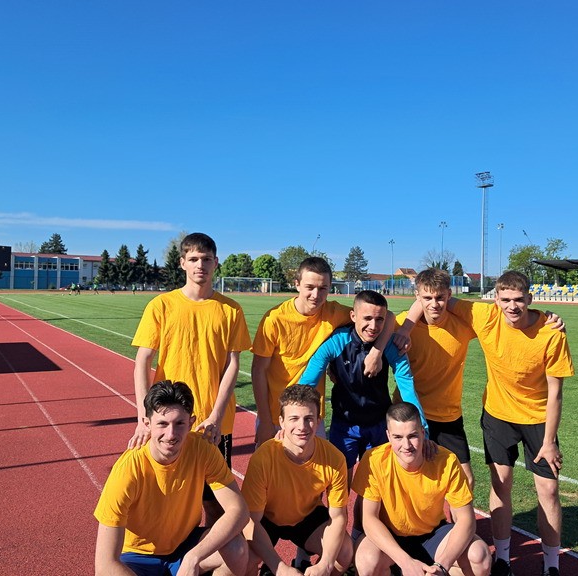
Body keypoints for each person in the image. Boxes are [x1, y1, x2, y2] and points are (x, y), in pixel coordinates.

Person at [447, 271, 574, 576]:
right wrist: (406, 325)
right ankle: (502, 560)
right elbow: (437, 299)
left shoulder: (551, 332)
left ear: (530, 299)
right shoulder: (485, 316)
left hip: (539, 419)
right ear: (496, 299)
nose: (512, 306)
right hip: (498, 415)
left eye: (518, 299)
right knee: (500, 483)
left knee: (548, 490)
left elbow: (555, 394)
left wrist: (549, 442)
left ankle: (551, 565)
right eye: (505, 299)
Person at [395, 269, 564, 494]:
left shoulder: (465, 324)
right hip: (409, 413)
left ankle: (452, 519)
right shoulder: (399, 324)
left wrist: (547, 319)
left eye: (440, 297)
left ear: (449, 295)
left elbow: (506, 320)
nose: (434, 304)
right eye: (427, 298)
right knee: (408, 477)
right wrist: (406, 328)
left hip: (448, 415)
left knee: (465, 481)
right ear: (417, 296)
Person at [94, 380, 249, 576]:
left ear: (191, 423)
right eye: (162, 424)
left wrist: (194, 557)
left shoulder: (203, 449)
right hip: (136, 557)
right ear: (147, 424)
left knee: (236, 548)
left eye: (179, 423)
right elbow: (104, 565)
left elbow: (239, 510)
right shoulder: (129, 469)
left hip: (184, 546)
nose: (171, 434)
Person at [129, 233, 251, 474]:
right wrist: (144, 417)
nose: (200, 265)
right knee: (169, 489)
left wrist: (216, 416)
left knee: (215, 492)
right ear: (182, 262)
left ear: (215, 263)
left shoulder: (231, 310)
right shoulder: (161, 306)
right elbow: (142, 361)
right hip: (169, 420)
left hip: (213, 422)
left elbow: (232, 365)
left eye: (206, 259)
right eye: (193, 259)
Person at [251, 257, 398, 447]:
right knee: (270, 466)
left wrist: (376, 353)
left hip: (312, 415)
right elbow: (258, 371)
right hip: (275, 414)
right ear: (297, 284)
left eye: (323, 288)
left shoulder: (334, 312)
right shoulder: (274, 319)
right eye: (310, 287)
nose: (316, 295)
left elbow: (388, 316)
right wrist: (264, 420)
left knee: (317, 466)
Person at [298, 289, 429, 477]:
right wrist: (291, 419)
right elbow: (307, 384)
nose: (373, 326)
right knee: (340, 479)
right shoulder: (337, 341)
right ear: (353, 316)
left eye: (379, 319)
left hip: (379, 424)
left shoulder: (390, 345)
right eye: (367, 318)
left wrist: (423, 430)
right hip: (344, 425)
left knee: (379, 481)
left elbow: (407, 387)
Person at [352, 402, 491, 576]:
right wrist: (406, 562)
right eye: (398, 437)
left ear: (423, 433)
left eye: (412, 436)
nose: (406, 445)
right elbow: (369, 519)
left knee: (479, 557)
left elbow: (466, 520)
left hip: (433, 536)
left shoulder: (446, 460)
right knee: (367, 561)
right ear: (388, 436)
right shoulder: (374, 460)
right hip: (391, 537)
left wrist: (441, 566)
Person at [242, 384, 353, 576]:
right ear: (282, 422)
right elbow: (251, 521)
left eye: (309, 419)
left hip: (307, 517)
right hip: (267, 518)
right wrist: (280, 567)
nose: (302, 427)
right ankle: (269, 568)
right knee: (242, 558)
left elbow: (338, 517)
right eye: (294, 419)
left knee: (344, 552)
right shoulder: (263, 458)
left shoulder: (334, 458)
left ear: (318, 421)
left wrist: (325, 565)